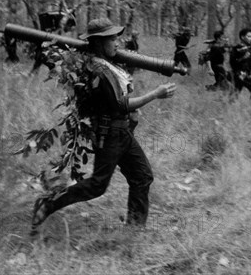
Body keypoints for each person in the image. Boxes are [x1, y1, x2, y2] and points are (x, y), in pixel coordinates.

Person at [31, 18, 177, 231]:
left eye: (117, 38)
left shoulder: (107, 64)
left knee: (142, 176)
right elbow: (122, 104)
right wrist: (156, 94)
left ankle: (134, 228)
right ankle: (48, 203)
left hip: (121, 131)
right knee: (98, 185)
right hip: (110, 133)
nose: (117, 43)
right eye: (112, 39)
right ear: (99, 43)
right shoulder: (98, 68)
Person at [229, 28, 251, 103]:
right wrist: (243, 58)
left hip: (247, 73)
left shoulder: (250, 48)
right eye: (248, 36)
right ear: (242, 37)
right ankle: (249, 108)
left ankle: (228, 108)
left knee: (235, 92)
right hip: (239, 74)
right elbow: (232, 62)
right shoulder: (236, 48)